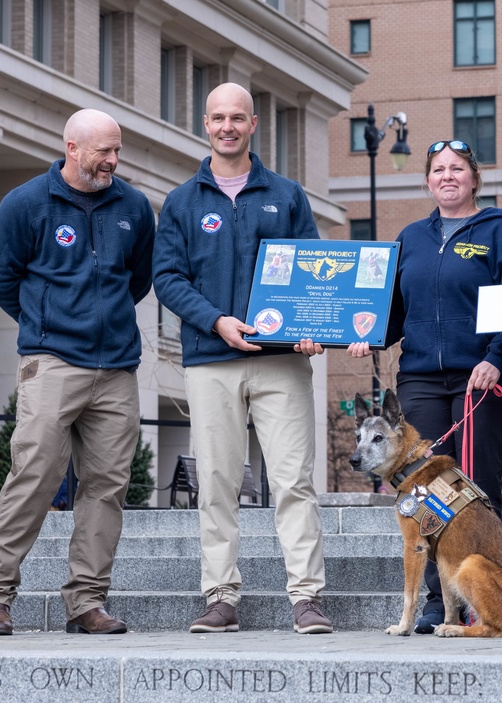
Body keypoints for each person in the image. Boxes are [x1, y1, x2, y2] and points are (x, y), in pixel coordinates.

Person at [153, 82, 332, 635]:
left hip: (281, 361)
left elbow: (313, 268)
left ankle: (306, 598)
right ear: (205, 124)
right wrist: (216, 321)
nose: (227, 126)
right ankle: (221, 598)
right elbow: (167, 278)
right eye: (217, 118)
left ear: (254, 124)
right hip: (211, 359)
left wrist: (311, 328)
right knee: (217, 482)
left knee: (293, 481)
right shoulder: (183, 201)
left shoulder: (287, 194)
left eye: (238, 118)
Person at [0, 108, 155, 636]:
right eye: (104, 151)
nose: (113, 161)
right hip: (52, 362)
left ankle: (87, 602)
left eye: (117, 150)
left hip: (118, 367)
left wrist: (103, 319)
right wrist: (47, 322)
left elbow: (136, 279)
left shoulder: (134, 207)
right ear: (72, 148)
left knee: (106, 487)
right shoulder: (27, 203)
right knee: (33, 475)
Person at [348, 139, 502, 633]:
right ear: (428, 180)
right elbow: (392, 316)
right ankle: (441, 602)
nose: (447, 176)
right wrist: (365, 337)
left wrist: (497, 359)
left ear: (475, 178)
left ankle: (486, 600)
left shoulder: (501, 233)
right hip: (421, 380)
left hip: (482, 380)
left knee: (473, 493)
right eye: (438, 170)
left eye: (457, 169)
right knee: (424, 495)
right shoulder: (411, 238)